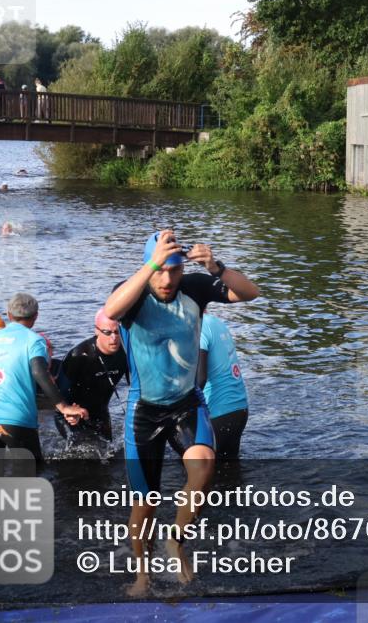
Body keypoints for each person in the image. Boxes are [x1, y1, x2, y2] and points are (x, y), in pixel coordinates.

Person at [103, 229, 259, 595]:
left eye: (174, 270)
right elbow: (111, 310)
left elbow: (250, 292)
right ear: (149, 265)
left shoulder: (194, 287)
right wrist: (152, 264)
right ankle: (143, 574)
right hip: (144, 413)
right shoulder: (132, 293)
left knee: (204, 466)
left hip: (186, 403)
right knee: (146, 503)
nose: (168, 279)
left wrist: (216, 267)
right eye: (161, 270)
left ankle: (176, 541)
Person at [0, 293, 87, 466]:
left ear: (8, 314)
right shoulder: (34, 340)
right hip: (16, 419)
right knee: (32, 477)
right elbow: (39, 372)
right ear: (36, 315)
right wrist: (64, 407)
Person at [54, 309, 128, 443]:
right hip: (72, 413)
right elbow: (58, 394)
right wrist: (69, 412)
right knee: (82, 454)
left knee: (109, 455)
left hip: (101, 412)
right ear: (97, 331)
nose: (114, 338)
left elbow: (136, 385)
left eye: (117, 332)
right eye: (107, 332)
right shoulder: (78, 356)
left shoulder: (125, 353)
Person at [198, 313, 249, 460]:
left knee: (201, 474)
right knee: (230, 471)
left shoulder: (197, 327)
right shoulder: (216, 322)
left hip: (216, 412)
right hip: (239, 409)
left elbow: (200, 378)